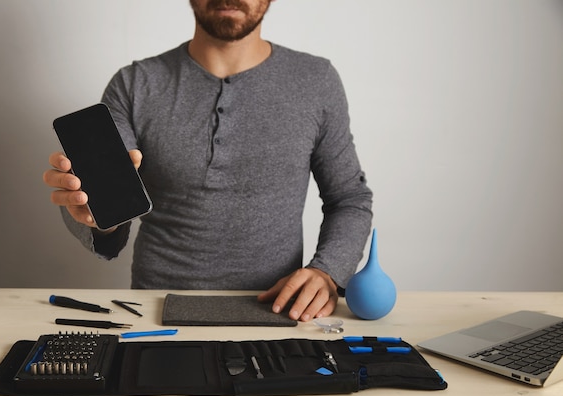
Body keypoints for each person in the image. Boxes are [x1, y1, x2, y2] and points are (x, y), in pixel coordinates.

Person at [42, 0, 373, 322]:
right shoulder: (134, 84)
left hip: (278, 312)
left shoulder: (316, 80)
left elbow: (349, 199)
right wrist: (94, 212)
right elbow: (109, 214)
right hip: (157, 315)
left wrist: (327, 271)